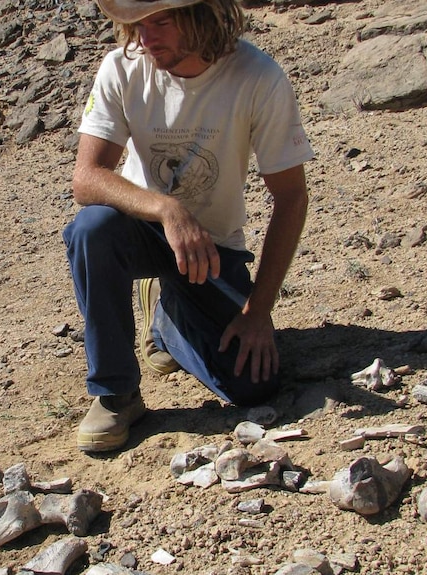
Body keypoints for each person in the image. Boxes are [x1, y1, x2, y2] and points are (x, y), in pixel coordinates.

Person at [63, 0, 314, 452]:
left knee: (253, 386)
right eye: (137, 23)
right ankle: (115, 392)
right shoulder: (123, 69)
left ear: (205, 15)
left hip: (214, 249)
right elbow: (86, 178)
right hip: (141, 229)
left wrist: (258, 311)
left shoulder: (258, 77)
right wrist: (167, 210)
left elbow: (291, 197)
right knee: (92, 227)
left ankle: (169, 314)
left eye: (160, 21)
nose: (145, 37)